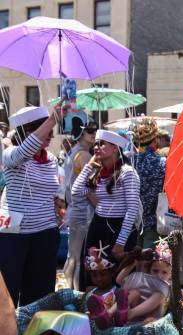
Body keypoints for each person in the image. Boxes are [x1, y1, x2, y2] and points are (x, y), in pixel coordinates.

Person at [16, 244, 114, 335]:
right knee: (45, 320)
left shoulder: (116, 291)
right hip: (81, 323)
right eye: (94, 275)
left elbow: (109, 315)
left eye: (103, 274)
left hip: (97, 329)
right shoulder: (89, 290)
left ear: (112, 273)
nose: (99, 278)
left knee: (69, 320)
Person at [0, 104, 64, 306]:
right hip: (14, 236)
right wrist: (53, 118)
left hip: (45, 233)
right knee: (9, 293)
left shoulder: (51, 159)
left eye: (52, 130)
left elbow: (51, 191)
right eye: (47, 129)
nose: (51, 135)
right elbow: (23, 152)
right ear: (28, 132)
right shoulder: (11, 154)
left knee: (40, 295)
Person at [72, 130, 141, 289]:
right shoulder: (97, 171)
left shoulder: (127, 172)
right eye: (95, 144)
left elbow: (132, 210)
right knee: (94, 274)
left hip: (120, 229)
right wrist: (89, 166)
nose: (96, 147)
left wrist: (120, 243)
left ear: (115, 148)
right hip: (98, 227)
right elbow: (76, 192)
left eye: (102, 144)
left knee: (119, 278)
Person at [62, 121, 97, 289]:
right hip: (84, 210)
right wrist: (101, 208)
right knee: (79, 255)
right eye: (90, 130)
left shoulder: (73, 152)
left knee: (73, 254)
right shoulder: (84, 156)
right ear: (81, 133)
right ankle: (75, 292)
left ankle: (68, 289)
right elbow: (90, 189)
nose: (94, 132)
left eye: (95, 129)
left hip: (75, 209)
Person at [132, 117, 166, 249]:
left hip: (132, 219)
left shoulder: (129, 160)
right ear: (155, 139)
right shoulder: (162, 162)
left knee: (131, 262)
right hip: (154, 219)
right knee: (149, 260)